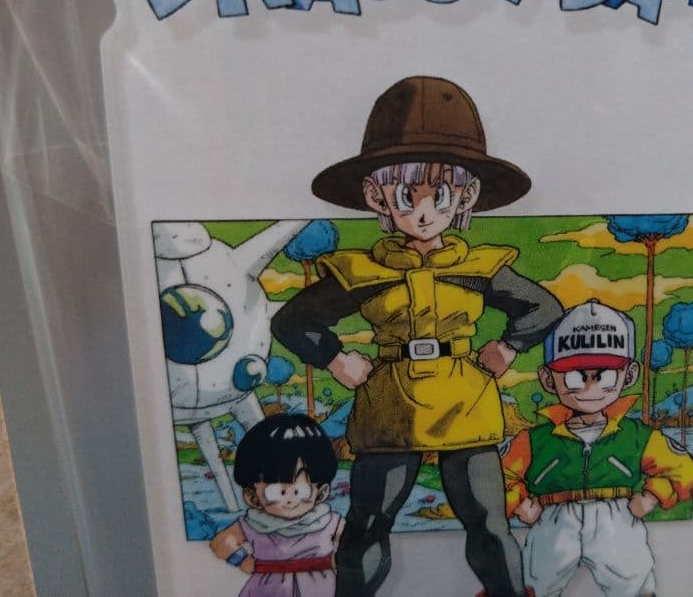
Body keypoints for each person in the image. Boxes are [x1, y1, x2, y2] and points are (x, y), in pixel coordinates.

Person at [271, 76, 562, 597]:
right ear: (376, 195)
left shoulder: (480, 267)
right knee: (367, 524)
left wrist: (509, 345)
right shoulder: (362, 270)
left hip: (467, 406)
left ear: (466, 195)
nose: (423, 211)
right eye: (406, 195)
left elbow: (544, 306)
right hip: (389, 410)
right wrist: (335, 358)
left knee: (489, 525)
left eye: (440, 194)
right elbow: (291, 321)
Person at [501, 300, 693, 597]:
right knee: (535, 585)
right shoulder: (535, 439)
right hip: (553, 521)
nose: (589, 388)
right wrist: (519, 502)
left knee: (633, 583)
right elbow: (498, 475)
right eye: (575, 377)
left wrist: (652, 496)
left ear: (629, 375)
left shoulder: (636, 436)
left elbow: (683, 468)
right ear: (548, 379)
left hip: (616, 520)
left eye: (604, 376)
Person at [210, 413, 343, 597]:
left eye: (300, 490)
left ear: (321, 492)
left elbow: (355, 541)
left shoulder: (328, 522)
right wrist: (242, 561)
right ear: (252, 497)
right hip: (266, 590)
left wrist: (342, 560)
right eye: (276, 492)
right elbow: (221, 543)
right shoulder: (254, 524)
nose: (289, 499)